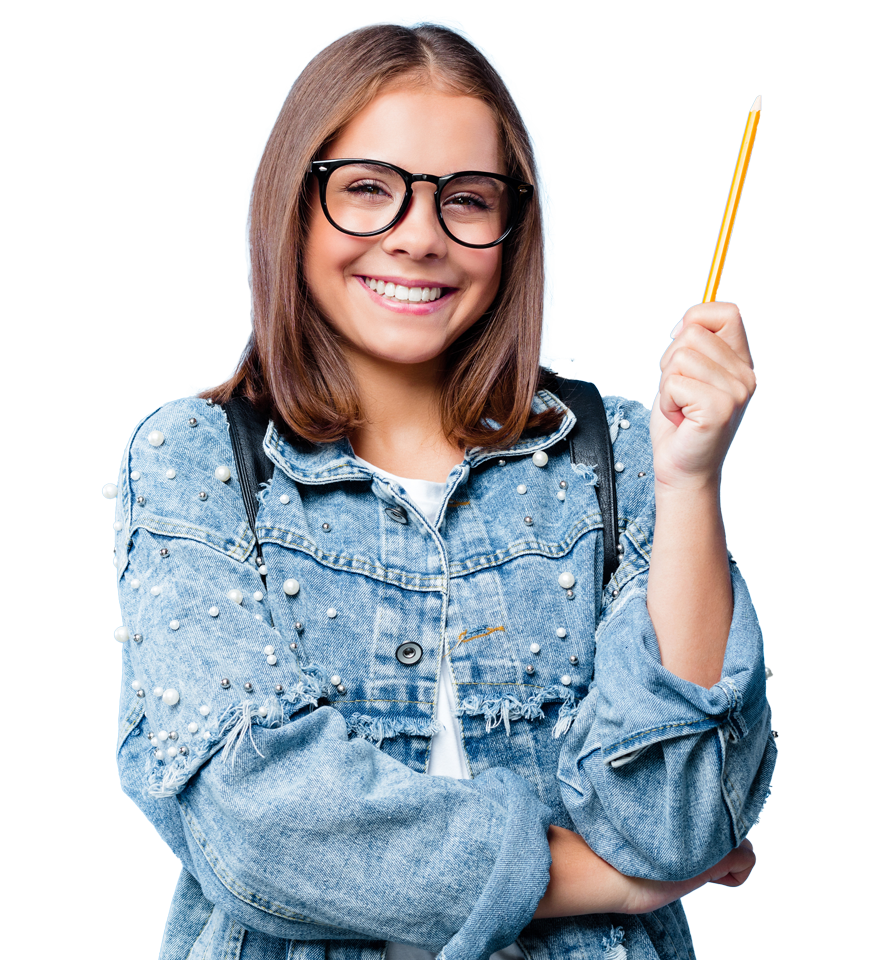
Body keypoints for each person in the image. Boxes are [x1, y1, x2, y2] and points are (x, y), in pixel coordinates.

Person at [112, 21, 776, 960]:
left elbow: (677, 816)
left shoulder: (627, 452)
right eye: (369, 191)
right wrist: (604, 880)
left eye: (466, 200)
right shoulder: (195, 457)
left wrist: (691, 478)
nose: (419, 237)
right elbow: (260, 825)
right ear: (293, 208)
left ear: (513, 227)